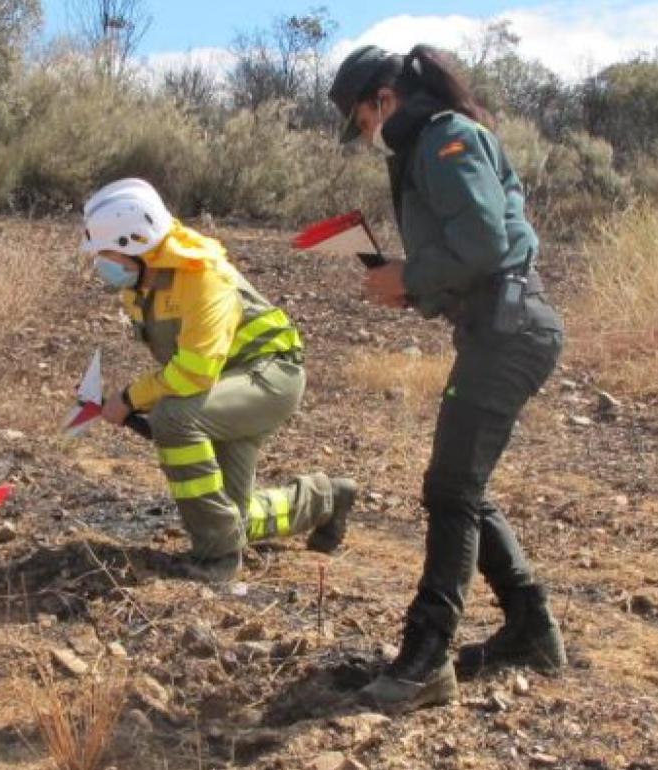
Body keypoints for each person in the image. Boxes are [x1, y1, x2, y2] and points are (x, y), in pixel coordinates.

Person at [327, 45, 568, 710]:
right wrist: (411, 285)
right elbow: (470, 254)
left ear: (383, 98)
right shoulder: (434, 142)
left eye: (363, 118)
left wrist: (408, 275)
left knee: (450, 491)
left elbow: (488, 246)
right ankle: (530, 628)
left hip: (511, 331)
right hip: (497, 326)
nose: (368, 134)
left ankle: (426, 660)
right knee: (461, 485)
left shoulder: (446, 139)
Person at [82, 178, 358, 583]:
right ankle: (326, 498)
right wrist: (136, 403)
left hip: (269, 378)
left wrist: (131, 397)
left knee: (174, 418)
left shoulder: (201, 276)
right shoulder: (142, 283)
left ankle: (217, 559)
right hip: (225, 384)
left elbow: (193, 372)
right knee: (232, 514)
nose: (100, 265)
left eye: (106, 254)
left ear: (134, 243)